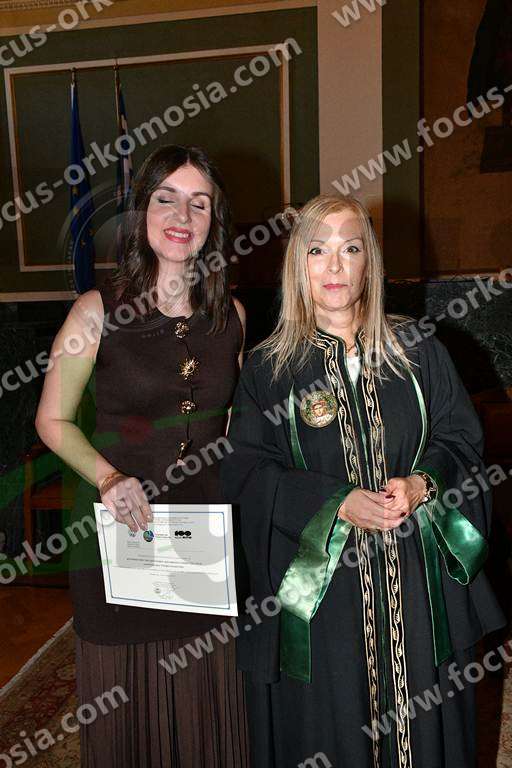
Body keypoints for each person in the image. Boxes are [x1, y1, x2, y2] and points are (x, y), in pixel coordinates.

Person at [220, 193, 505, 768]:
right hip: (322, 591)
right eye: (317, 250)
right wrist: (335, 503)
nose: (334, 265)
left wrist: (423, 483)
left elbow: (462, 440)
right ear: (297, 264)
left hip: (416, 578)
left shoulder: (418, 350)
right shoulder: (268, 370)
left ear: (369, 263)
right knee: (336, 727)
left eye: (350, 249)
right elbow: (246, 472)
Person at [36, 145, 249, 767]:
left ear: (214, 221)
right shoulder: (95, 311)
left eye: (199, 203)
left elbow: (231, 421)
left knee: (208, 697)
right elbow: (51, 420)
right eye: (166, 199)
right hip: (119, 530)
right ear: (142, 212)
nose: (183, 215)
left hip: (205, 536)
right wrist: (108, 479)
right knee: (125, 702)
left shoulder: (232, 315)